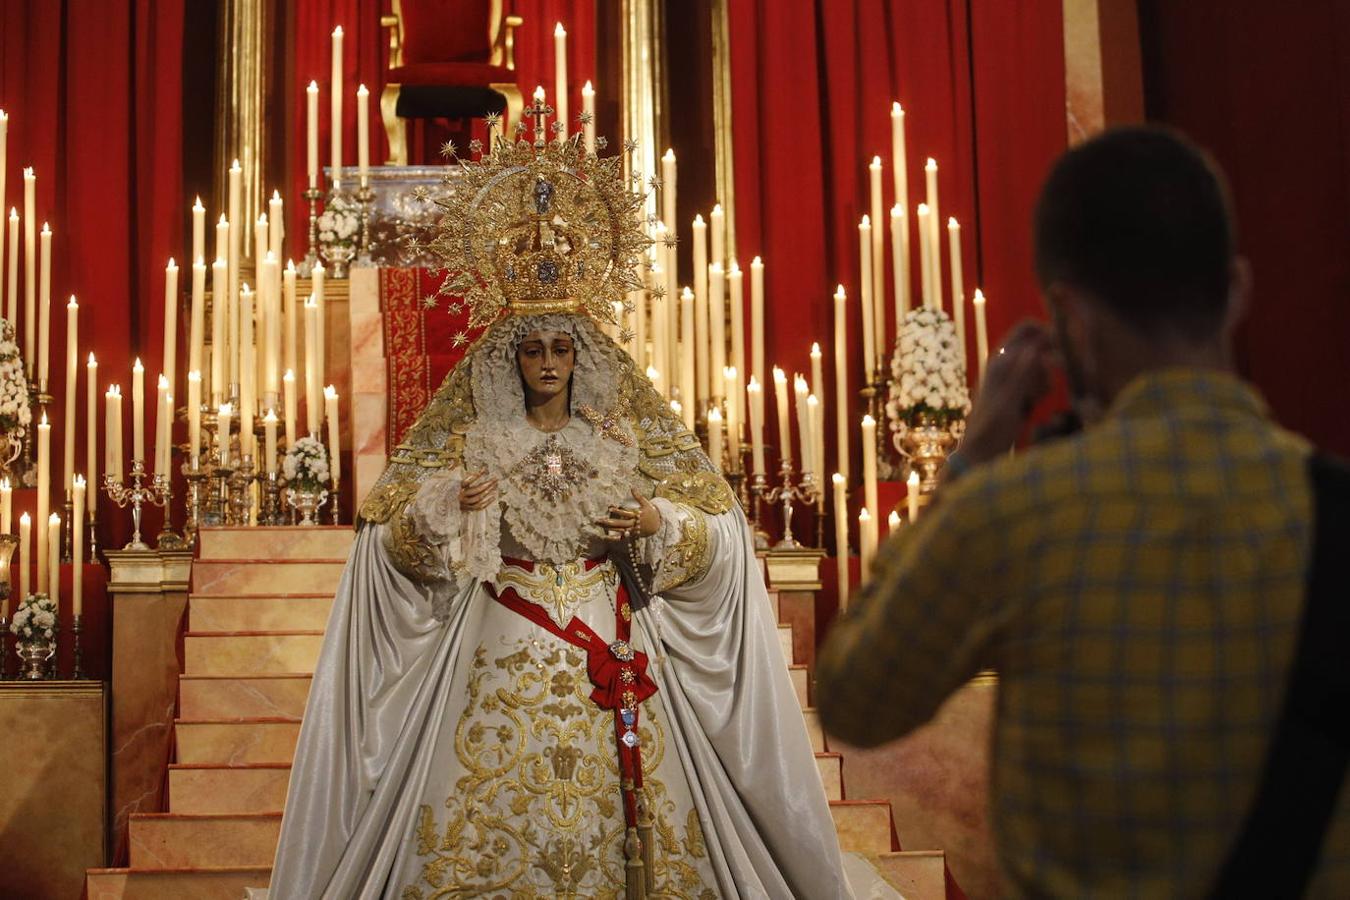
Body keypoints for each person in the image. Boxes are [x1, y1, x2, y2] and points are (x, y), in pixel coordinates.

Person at [258, 126, 855, 899]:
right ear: (511, 356)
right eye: (532, 347)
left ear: (581, 356)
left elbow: (719, 532)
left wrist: (656, 526)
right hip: (498, 638)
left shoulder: (619, 438)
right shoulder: (477, 438)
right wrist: (449, 509)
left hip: (611, 640)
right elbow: (389, 538)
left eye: (560, 348)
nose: (546, 361)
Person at [816, 126, 1350, 897]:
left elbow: (852, 697)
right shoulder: (1335, 513)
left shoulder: (1013, 516)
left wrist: (967, 462)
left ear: (1068, 316)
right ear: (1236, 289)